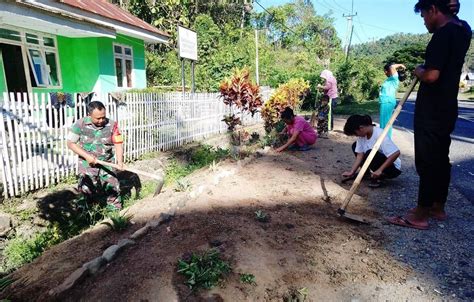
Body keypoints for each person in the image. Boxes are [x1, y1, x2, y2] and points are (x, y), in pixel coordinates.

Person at [388, 0, 471, 230]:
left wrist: (418, 69)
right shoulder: (464, 30)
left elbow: (432, 75)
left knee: (426, 160)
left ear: (434, 9)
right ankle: (437, 207)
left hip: (432, 109)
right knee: (441, 158)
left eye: (424, 15)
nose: (424, 21)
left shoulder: (441, 36)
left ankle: (420, 215)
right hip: (447, 107)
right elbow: (460, 20)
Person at [67, 101, 124, 211]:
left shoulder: (112, 125)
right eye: (97, 118)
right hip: (87, 164)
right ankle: (84, 217)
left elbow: (118, 143)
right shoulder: (80, 124)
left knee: (112, 189)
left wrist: (120, 162)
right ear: (89, 115)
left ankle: (115, 215)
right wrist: (87, 156)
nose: (101, 120)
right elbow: (70, 143)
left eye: (103, 117)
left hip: (107, 162)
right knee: (85, 191)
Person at [342, 115, 401, 188]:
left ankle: (379, 177)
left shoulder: (379, 134)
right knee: (355, 146)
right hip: (375, 162)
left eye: (356, 133)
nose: (356, 136)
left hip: (392, 168)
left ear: (361, 128)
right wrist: (352, 171)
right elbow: (360, 155)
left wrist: (380, 170)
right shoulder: (362, 136)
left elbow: (396, 153)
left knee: (370, 152)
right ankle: (366, 173)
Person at [379, 63, 406, 138]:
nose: (385, 73)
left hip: (387, 102)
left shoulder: (394, 78)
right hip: (385, 102)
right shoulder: (389, 79)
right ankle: (385, 140)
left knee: (385, 123)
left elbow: (392, 66)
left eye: (385, 71)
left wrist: (400, 65)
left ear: (389, 71)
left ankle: (385, 141)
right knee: (385, 122)